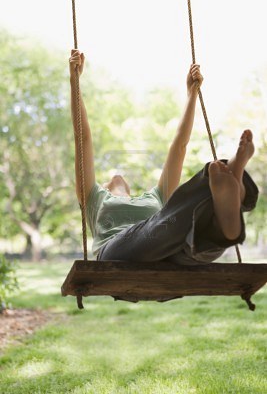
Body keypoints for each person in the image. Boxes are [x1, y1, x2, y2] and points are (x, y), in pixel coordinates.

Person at [69, 50, 258, 268]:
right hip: (117, 253)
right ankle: (229, 179)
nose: (117, 176)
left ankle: (225, 223)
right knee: (165, 221)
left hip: (168, 254)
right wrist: (75, 82)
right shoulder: (95, 198)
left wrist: (192, 95)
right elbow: (83, 139)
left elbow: (179, 147)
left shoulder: (155, 197)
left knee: (192, 243)